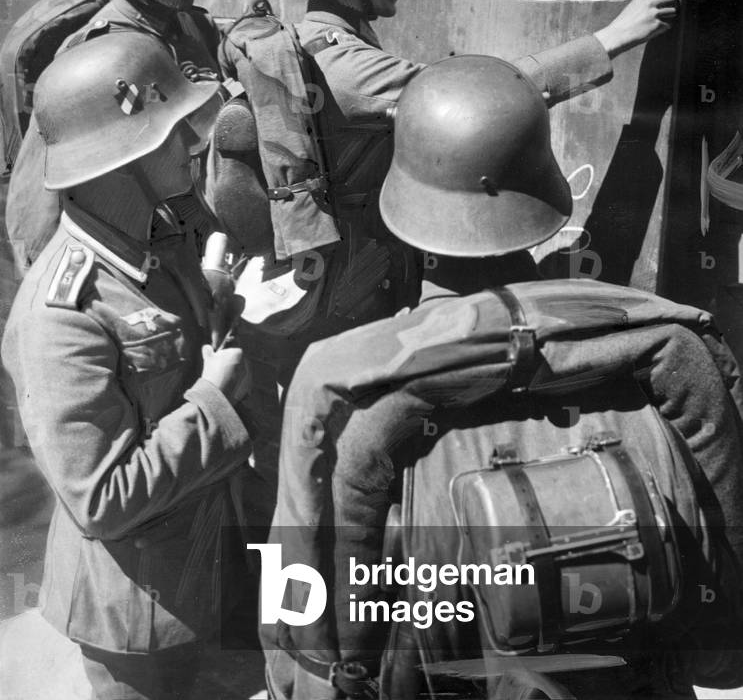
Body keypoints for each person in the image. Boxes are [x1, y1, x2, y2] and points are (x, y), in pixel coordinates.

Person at [264, 56, 743, 700]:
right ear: (544, 190)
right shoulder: (667, 346)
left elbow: (312, 632)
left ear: (402, 203)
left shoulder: (341, 384)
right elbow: (725, 605)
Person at [218, 0, 679, 384]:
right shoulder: (344, 67)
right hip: (359, 289)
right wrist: (612, 39)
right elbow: (480, 96)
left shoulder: (325, 44)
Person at [1, 33, 268, 700]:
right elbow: (103, 496)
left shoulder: (153, 234)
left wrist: (218, 290)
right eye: (174, 132)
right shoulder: (59, 315)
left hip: (207, 561)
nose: (193, 145)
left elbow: (173, 328)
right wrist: (216, 398)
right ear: (122, 157)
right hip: (139, 614)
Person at [5, 0, 221, 273]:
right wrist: (45, 274)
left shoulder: (194, 29)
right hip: (136, 254)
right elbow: (40, 188)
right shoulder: (90, 55)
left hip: (203, 236)